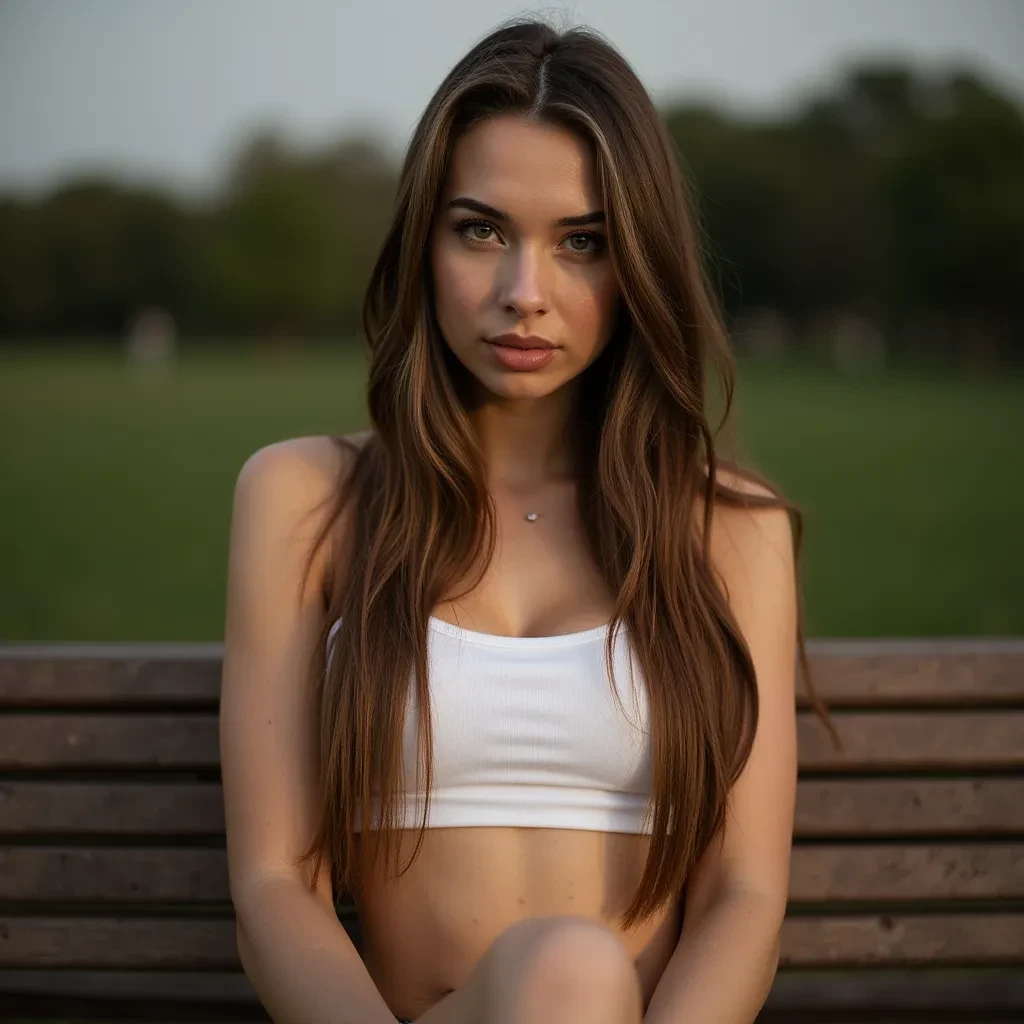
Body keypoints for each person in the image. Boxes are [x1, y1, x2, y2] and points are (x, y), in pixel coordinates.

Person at [219, 17, 833, 1024]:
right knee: (569, 974)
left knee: (573, 978)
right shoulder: (307, 501)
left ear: (638, 263)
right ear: (424, 241)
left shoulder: (728, 528)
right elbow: (273, 884)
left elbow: (741, 897)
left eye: (581, 243)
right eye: (481, 230)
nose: (523, 295)